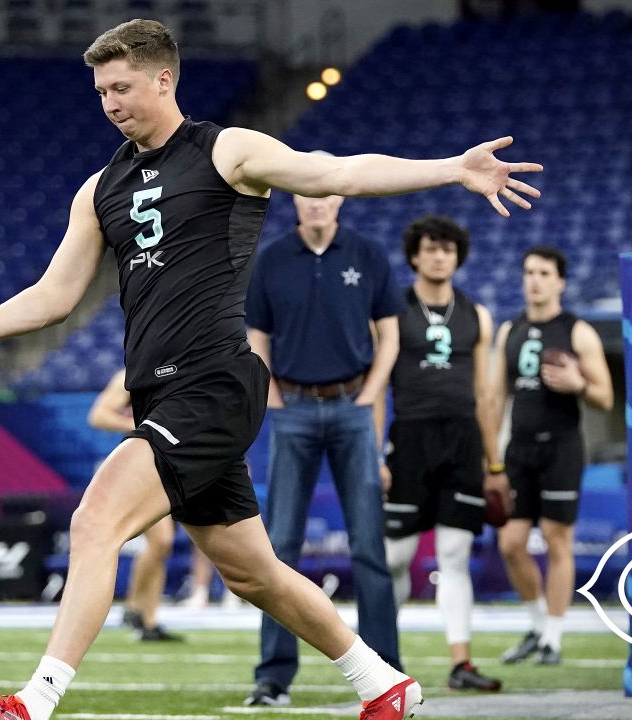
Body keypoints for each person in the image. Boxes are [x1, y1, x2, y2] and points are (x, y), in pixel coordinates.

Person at [0, 19, 541, 720]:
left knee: (96, 518)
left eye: (122, 86)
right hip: (158, 394)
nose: (109, 102)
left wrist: (451, 168)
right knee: (253, 573)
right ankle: (385, 685)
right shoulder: (99, 188)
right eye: (102, 90)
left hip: (216, 383)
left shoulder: (226, 150)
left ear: (164, 79)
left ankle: (33, 703)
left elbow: (335, 171)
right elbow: (54, 296)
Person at [242, 173, 403, 707]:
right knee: (278, 548)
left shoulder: (368, 254)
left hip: (352, 407)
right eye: (305, 194)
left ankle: (386, 672)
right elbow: (256, 335)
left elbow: (391, 336)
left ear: (339, 196)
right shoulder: (270, 259)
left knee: (368, 547)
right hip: (291, 410)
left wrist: (368, 396)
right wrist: (270, 397)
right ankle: (273, 676)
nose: (315, 202)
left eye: (324, 193)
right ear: (293, 199)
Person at [381, 215, 504, 692]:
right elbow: (376, 387)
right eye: (431, 248)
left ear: (458, 257)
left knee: (454, 553)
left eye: (448, 250)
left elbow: (486, 396)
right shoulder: (393, 311)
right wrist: (375, 454)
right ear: (415, 255)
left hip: (462, 441)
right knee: (397, 556)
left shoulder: (479, 314)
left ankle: (461, 664)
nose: (439, 256)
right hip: (409, 438)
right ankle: (382, 659)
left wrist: (494, 464)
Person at [492, 245, 612, 666]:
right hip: (519, 449)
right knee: (510, 543)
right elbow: (494, 398)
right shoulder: (510, 330)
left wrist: (578, 382)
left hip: (561, 446)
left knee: (559, 540)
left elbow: (605, 398)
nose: (534, 280)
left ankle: (554, 639)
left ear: (560, 281)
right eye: (528, 272)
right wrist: (492, 457)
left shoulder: (578, 331)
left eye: (543, 272)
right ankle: (538, 623)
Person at [87, 368, 181, 642]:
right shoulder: (132, 374)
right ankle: (133, 608)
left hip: (172, 461)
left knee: (161, 546)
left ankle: (147, 618)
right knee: (161, 541)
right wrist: (145, 429)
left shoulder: (182, 369)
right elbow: (98, 415)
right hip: (140, 462)